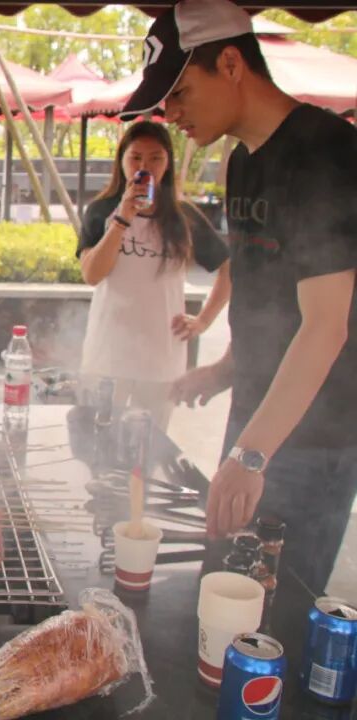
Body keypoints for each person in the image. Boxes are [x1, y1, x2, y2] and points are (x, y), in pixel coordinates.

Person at [122, 0, 356, 594]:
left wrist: (251, 455)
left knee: (274, 608)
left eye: (179, 93)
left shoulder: (326, 152)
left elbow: (326, 325)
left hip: (313, 435)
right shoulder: (242, 163)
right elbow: (265, 294)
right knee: (222, 591)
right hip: (256, 417)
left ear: (230, 63)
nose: (171, 115)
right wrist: (226, 369)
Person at [77, 120, 230, 432]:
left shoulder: (183, 216)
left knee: (149, 445)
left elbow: (229, 268)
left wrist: (204, 320)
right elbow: (92, 274)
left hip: (161, 356)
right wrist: (122, 218)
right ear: (121, 161)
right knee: (98, 441)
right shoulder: (102, 210)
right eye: (135, 157)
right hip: (108, 352)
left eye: (155, 158)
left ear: (168, 163)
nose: (144, 167)